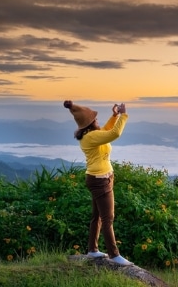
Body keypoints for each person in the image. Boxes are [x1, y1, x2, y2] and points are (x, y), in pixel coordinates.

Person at [64, 100, 132, 267]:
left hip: (100, 178)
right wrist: (123, 115)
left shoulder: (90, 135)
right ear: (90, 122)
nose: (97, 120)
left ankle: (92, 250)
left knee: (97, 217)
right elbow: (114, 134)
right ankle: (114, 255)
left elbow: (106, 130)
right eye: (95, 118)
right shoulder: (91, 137)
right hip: (100, 180)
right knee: (108, 218)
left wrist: (114, 116)